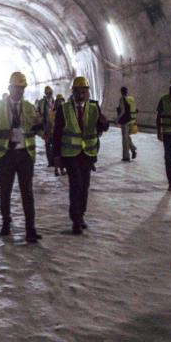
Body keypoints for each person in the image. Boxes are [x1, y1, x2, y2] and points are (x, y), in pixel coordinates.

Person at [0, 71, 45, 243]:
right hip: (5, 155)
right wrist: (2, 133)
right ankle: (6, 223)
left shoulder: (29, 107)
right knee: (5, 191)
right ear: (9, 88)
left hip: (25, 155)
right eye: (17, 88)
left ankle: (30, 229)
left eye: (22, 88)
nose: (20, 91)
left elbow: (38, 130)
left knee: (27, 193)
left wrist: (41, 125)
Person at [53, 76, 110, 234]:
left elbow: (102, 127)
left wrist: (104, 123)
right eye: (78, 91)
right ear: (73, 92)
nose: (81, 94)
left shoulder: (93, 108)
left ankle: (81, 214)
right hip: (71, 155)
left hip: (87, 154)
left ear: (88, 92)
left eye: (84, 91)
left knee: (84, 186)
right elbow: (56, 134)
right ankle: (76, 220)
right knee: (76, 185)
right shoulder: (63, 109)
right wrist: (56, 156)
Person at [116, 86, 138, 161]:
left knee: (124, 139)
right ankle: (133, 149)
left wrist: (117, 119)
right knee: (127, 137)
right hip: (131, 120)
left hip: (125, 121)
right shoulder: (131, 99)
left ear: (121, 92)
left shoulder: (122, 99)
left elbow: (123, 111)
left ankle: (126, 156)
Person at [37, 85, 57, 170]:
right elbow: (38, 111)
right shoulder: (42, 102)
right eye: (48, 93)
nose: (49, 94)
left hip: (54, 125)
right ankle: (50, 162)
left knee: (55, 144)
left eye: (50, 93)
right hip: (46, 126)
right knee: (48, 144)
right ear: (45, 93)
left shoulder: (55, 101)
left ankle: (54, 161)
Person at [51, 93, 66, 176]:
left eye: (62, 100)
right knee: (57, 153)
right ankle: (56, 169)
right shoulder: (53, 112)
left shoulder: (65, 111)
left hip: (62, 134)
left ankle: (62, 168)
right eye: (59, 101)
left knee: (62, 153)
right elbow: (50, 123)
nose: (60, 102)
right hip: (55, 134)